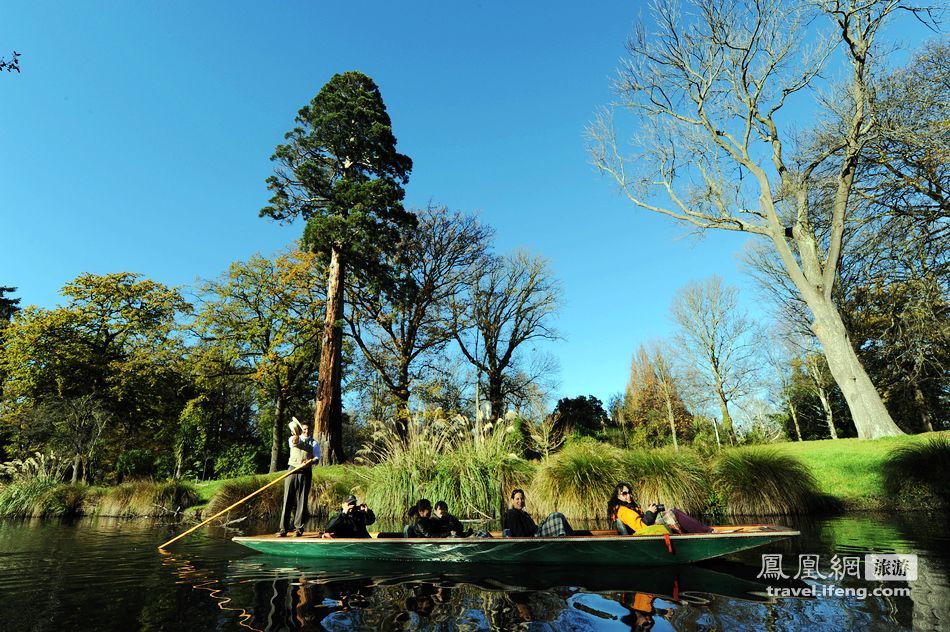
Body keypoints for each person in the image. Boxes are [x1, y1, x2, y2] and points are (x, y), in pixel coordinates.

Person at [607, 482, 712, 535]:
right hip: (642, 533)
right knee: (673, 513)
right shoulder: (623, 511)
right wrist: (650, 513)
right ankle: (706, 532)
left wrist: (650, 512)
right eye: (624, 493)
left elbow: (641, 520)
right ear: (618, 496)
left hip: (646, 530)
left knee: (671, 512)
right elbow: (640, 527)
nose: (628, 495)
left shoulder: (628, 507)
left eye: (629, 492)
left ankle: (698, 532)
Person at [278, 420, 320, 537]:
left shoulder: (314, 443)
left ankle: (298, 529)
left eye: (308, 429)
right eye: (304, 429)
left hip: (306, 472)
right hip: (292, 470)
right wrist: (295, 434)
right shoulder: (293, 438)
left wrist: (311, 462)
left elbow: (317, 458)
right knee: (287, 499)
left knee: (302, 500)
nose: (306, 431)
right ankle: (283, 529)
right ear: (301, 430)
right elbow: (294, 443)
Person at [502, 488, 573, 537]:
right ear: (512, 501)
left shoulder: (525, 514)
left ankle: (571, 535)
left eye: (522, 499)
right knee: (556, 517)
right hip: (535, 536)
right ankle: (564, 540)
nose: (520, 501)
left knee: (558, 516)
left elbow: (532, 527)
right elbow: (519, 534)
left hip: (538, 531)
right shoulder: (511, 514)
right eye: (517, 499)